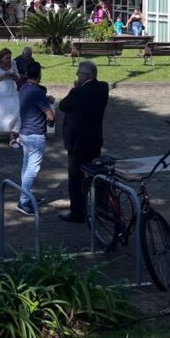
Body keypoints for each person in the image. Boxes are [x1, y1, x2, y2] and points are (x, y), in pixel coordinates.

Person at [57, 60, 109, 223]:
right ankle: (101, 206)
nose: (76, 75)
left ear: (85, 75)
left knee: (75, 178)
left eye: (78, 73)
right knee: (95, 173)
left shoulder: (77, 93)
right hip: (94, 139)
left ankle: (77, 211)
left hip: (77, 141)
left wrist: (76, 88)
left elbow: (63, 106)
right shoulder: (103, 88)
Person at [15, 61, 55, 216]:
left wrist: (45, 99)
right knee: (33, 169)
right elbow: (50, 117)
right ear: (39, 75)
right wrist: (49, 108)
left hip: (24, 133)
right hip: (36, 135)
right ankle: (24, 201)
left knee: (26, 167)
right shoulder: (38, 93)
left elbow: (34, 103)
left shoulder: (23, 88)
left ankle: (27, 195)